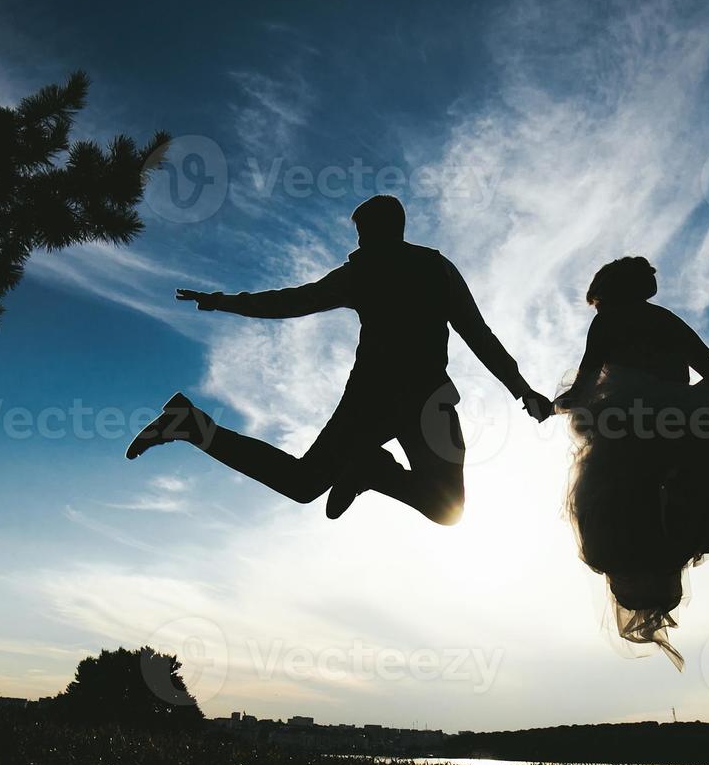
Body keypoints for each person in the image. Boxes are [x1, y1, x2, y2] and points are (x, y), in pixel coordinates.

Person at [127, 195, 553, 524]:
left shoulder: (373, 272)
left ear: (385, 229)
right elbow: (479, 335)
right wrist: (523, 391)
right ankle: (370, 469)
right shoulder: (423, 268)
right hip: (415, 400)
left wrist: (220, 301)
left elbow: (290, 302)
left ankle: (368, 468)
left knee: (312, 484)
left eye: (363, 233)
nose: (360, 242)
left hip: (392, 401)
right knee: (443, 509)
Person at [552, 256, 709, 666]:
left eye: (598, 302)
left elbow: (584, 382)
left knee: (609, 500)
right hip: (682, 423)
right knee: (685, 470)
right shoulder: (668, 320)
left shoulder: (607, 323)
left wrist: (561, 404)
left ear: (608, 295)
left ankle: (669, 534)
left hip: (627, 425)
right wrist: (681, 403)